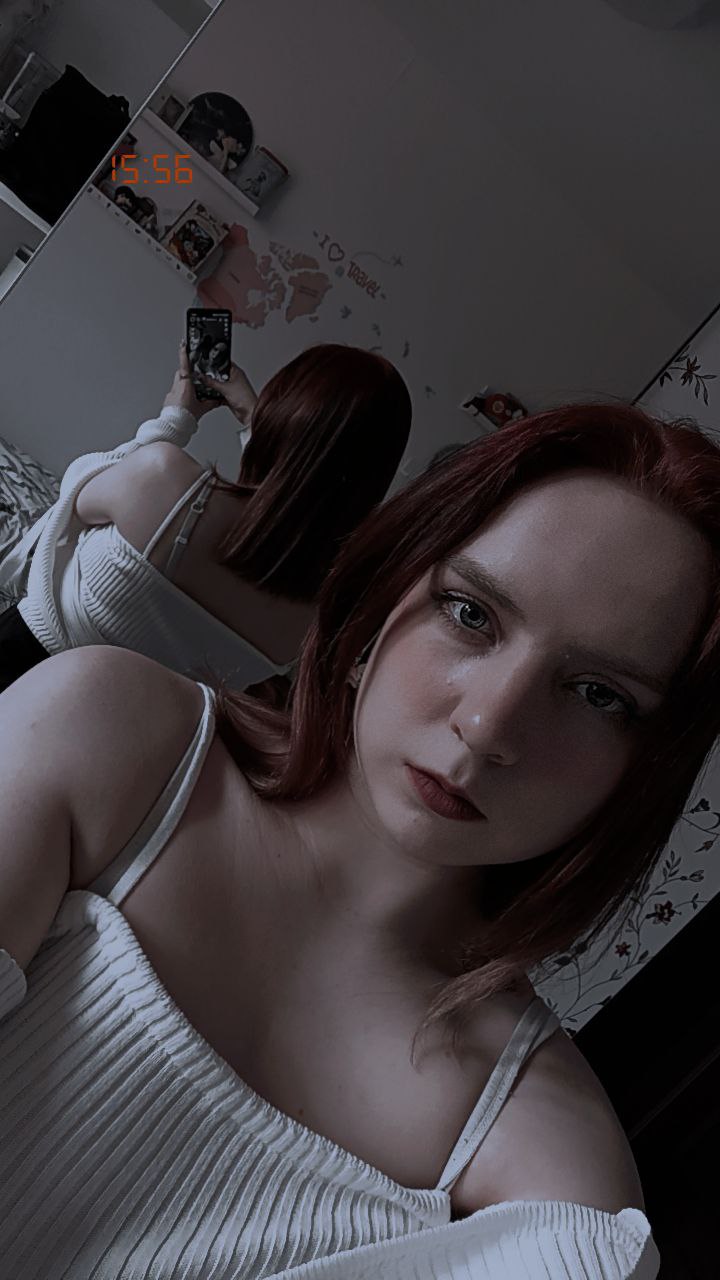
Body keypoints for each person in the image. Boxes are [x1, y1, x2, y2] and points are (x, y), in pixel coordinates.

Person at [2, 401, 716, 1278]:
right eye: (471, 614)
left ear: (643, 771)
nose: (490, 724)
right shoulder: (111, 734)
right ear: (386, 594)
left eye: (599, 695)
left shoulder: (551, 1173)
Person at [0, 341, 412, 694]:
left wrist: (175, 418)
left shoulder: (165, 479)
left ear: (280, 413)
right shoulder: (311, 623)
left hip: (17, 664)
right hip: (102, 742)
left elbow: (81, 487)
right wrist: (257, 420)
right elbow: (292, 500)